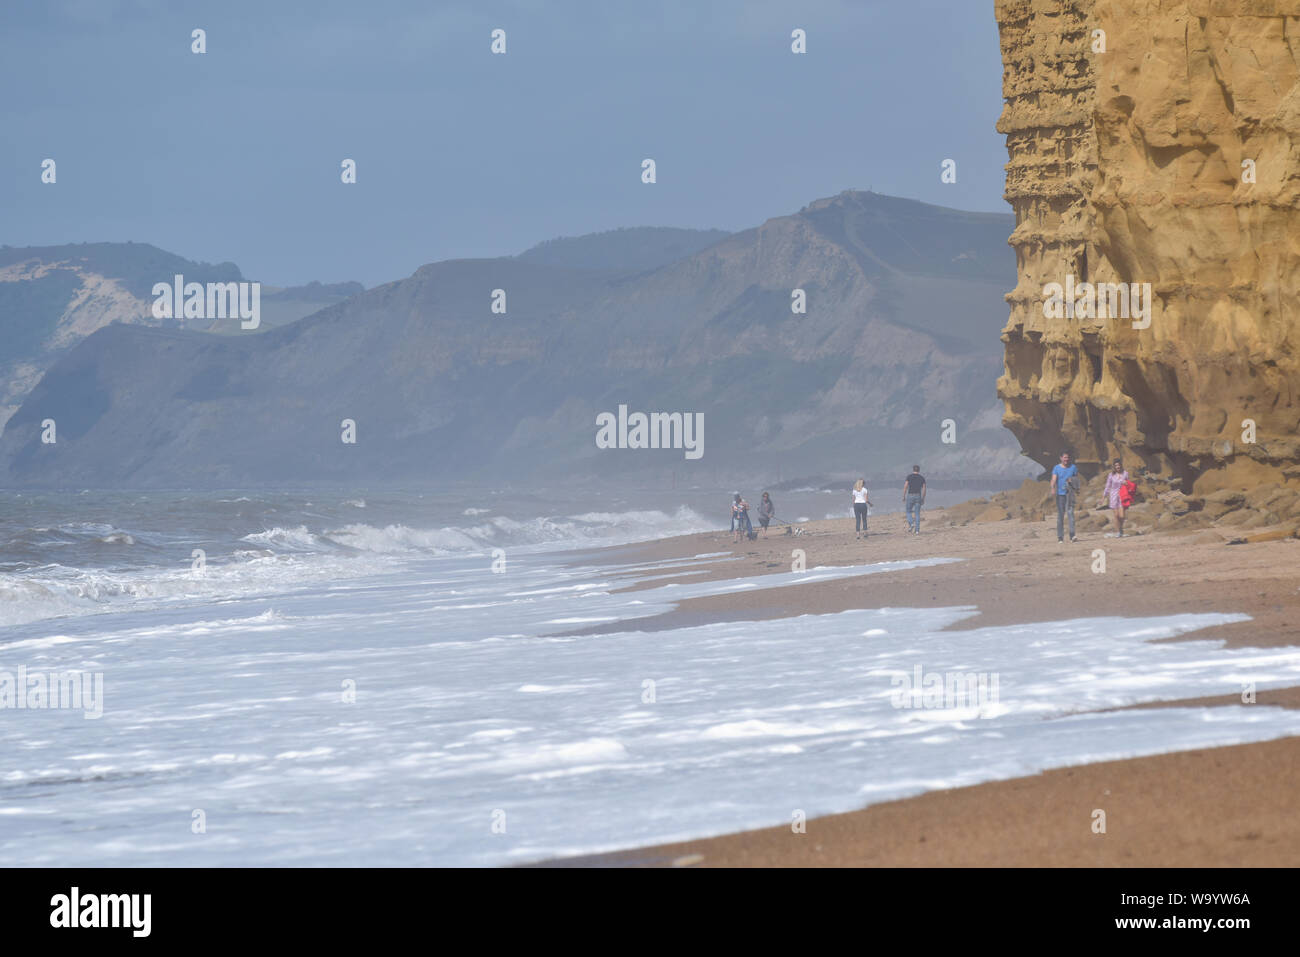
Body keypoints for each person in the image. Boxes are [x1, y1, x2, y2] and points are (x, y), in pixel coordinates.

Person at [1050, 451, 1078, 543]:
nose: (1066, 459)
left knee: (1070, 514)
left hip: (1070, 494)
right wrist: (1052, 488)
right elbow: (1053, 479)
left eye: (1067, 457)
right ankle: (1060, 537)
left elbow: (1076, 479)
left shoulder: (1073, 467)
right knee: (1060, 515)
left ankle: (1072, 535)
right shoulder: (1056, 468)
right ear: (1061, 458)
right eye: (1065, 457)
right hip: (1060, 495)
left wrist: (1073, 481)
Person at [1102, 458, 1130, 537]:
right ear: (1114, 467)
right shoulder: (1111, 475)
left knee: (1122, 516)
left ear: (1121, 465)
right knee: (1116, 515)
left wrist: (1126, 483)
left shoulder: (1125, 473)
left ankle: (1120, 529)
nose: (1118, 467)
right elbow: (1107, 486)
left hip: (1122, 495)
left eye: (1119, 465)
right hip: (1114, 496)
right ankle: (1119, 531)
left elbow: (1129, 484)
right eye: (1116, 465)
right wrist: (1103, 497)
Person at [902, 465, 926, 535]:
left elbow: (905, 487)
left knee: (908, 511)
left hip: (910, 495)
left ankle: (911, 523)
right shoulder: (922, 478)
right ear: (919, 470)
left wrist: (903, 496)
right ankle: (917, 531)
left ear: (913, 470)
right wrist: (923, 498)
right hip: (918, 495)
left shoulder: (909, 477)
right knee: (917, 514)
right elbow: (924, 489)